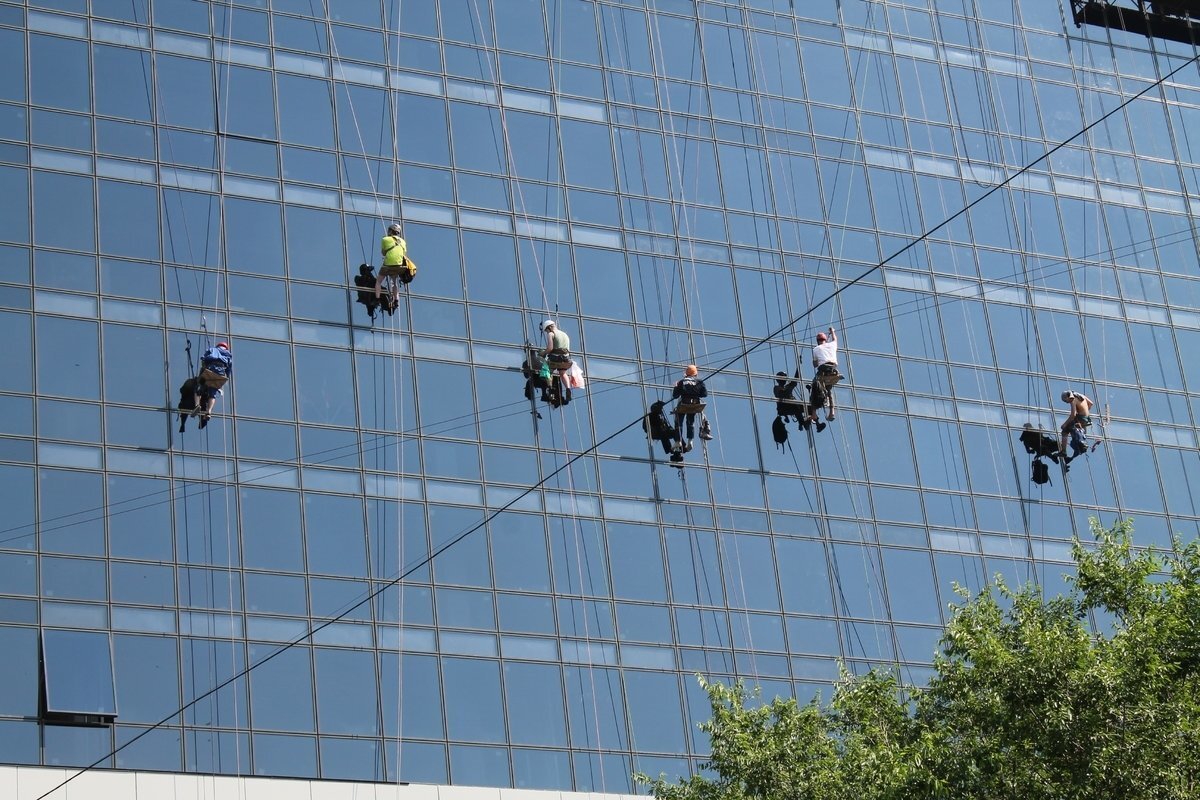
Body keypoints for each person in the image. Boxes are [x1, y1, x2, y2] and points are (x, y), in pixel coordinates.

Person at [375, 223, 414, 313]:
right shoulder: (403, 242)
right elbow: (403, 253)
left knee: (378, 281)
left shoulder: (385, 239)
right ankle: (396, 300)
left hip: (388, 265)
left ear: (390, 231)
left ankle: (377, 299)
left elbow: (383, 253)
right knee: (394, 283)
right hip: (399, 265)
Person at [195, 341, 232, 429]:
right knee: (212, 394)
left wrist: (202, 371)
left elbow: (204, 359)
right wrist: (226, 377)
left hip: (211, 369)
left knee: (198, 387)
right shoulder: (228, 354)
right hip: (220, 373)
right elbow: (229, 368)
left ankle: (197, 405)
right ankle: (209, 411)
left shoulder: (212, 349)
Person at [672, 365, 708, 454]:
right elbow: (704, 394)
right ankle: (690, 441)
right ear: (695, 374)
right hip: (694, 404)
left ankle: (678, 441)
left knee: (678, 422)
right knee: (690, 422)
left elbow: (675, 396)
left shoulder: (681, 382)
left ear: (686, 373)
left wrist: (676, 387)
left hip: (683, 404)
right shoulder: (699, 382)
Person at [808, 327, 839, 426]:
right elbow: (835, 339)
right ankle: (832, 412)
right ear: (825, 339)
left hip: (823, 371)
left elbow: (815, 365)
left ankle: (813, 414)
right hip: (833, 371)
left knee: (814, 387)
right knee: (829, 390)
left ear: (818, 341)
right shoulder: (832, 344)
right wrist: (832, 331)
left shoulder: (816, 349)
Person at [541, 320, 572, 405]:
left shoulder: (551, 334)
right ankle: (568, 389)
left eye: (546, 330)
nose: (547, 332)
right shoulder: (565, 334)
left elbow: (550, 348)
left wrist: (543, 353)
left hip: (555, 358)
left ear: (549, 327)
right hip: (566, 359)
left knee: (547, 370)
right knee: (563, 373)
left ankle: (550, 389)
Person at [1059, 390, 1094, 459]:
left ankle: (1063, 452)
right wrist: (1085, 411)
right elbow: (1091, 404)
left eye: (1066, 401)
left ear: (1067, 397)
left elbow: (1073, 415)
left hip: (1080, 418)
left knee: (1065, 431)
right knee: (1075, 430)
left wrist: (1064, 424)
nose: (1067, 403)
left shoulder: (1073, 399)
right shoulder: (1081, 396)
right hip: (1086, 418)